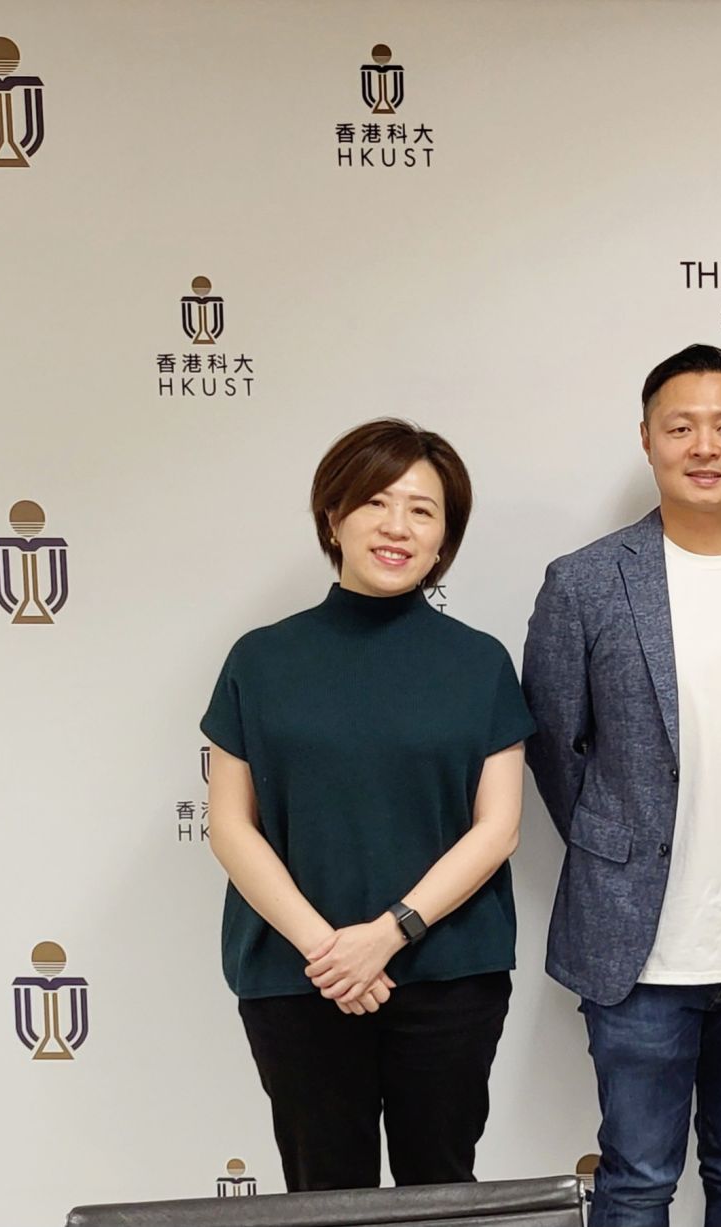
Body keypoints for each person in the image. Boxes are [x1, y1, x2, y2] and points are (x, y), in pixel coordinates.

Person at [523, 344, 721, 1227]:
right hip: (642, 955)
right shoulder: (585, 581)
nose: (705, 445)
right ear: (648, 439)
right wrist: (619, 845)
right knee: (637, 1180)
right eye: (681, 426)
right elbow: (556, 747)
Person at [202, 419, 532, 1191]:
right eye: (377, 502)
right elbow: (229, 823)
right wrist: (331, 950)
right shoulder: (261, 658)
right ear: (333, 517)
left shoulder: (479, 661)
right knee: (323, 1195)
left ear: (445, 537)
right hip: (298, 975)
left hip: (449, 974)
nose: (397, 527)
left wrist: (389, 933)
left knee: (440, 1189)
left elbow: (500, 826)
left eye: (423, 510)